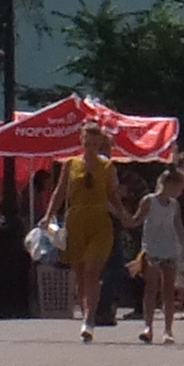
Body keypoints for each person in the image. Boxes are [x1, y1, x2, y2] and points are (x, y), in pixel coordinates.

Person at [49, 123, 123, 341]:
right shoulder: (70, 165)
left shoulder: (107, 166)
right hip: (76, 221)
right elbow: (60, 192)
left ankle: (90, 318)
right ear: (81, 142)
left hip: (100, 221)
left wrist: (124, 215)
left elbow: (113, 195)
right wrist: (48, 215)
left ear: (100, 143)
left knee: (93, 269)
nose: (90, 147)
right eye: (86, 143)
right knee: (80, 273)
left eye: (94, 143)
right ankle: (85, 312)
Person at [128, 162, 184, 343]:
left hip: (169, 249)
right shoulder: (149, 201)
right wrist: (123, 215)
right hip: (151, 249)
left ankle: (168, 330)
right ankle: (148, 327)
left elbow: (178, 225)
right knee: (150, 289)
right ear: (170, 185)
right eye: (179, 187)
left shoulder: (174, 204)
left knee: (168, 291)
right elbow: (136, 220)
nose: (180, 191)